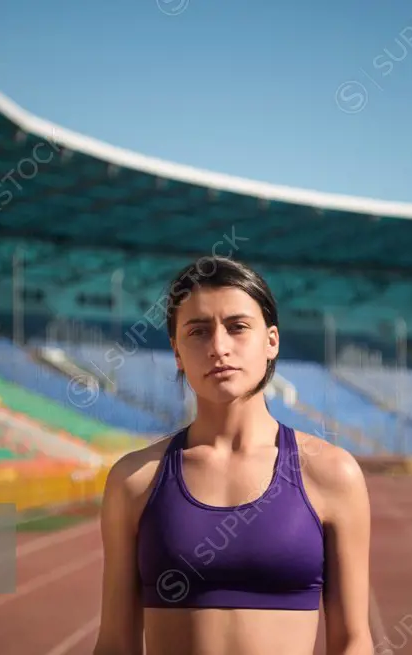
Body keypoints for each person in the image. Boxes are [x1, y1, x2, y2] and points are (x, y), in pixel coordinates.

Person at [93, 256, 373, 655]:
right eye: (198, 332)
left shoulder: (332, 473)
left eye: (238, 327)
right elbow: (115, 644)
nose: (219, 347)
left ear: (271, 341)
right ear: (176, 351)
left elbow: (353, 640)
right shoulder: (134, 480)